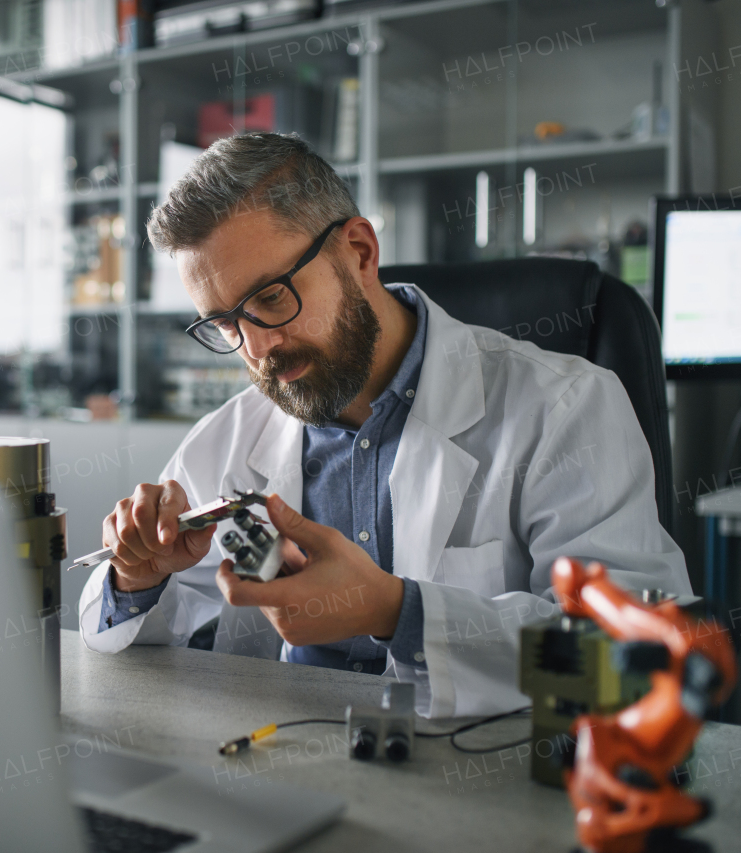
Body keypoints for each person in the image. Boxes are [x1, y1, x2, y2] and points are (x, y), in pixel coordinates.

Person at [77, 132, 689, 717]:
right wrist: (136, 577)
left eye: (271, 297)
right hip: (276, 770)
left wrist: (400, 614)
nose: (258, 348)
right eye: (225, 323)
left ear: (360, 252)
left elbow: (638, 656)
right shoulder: (230, 435)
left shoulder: (564, 407)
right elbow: (143, 635)